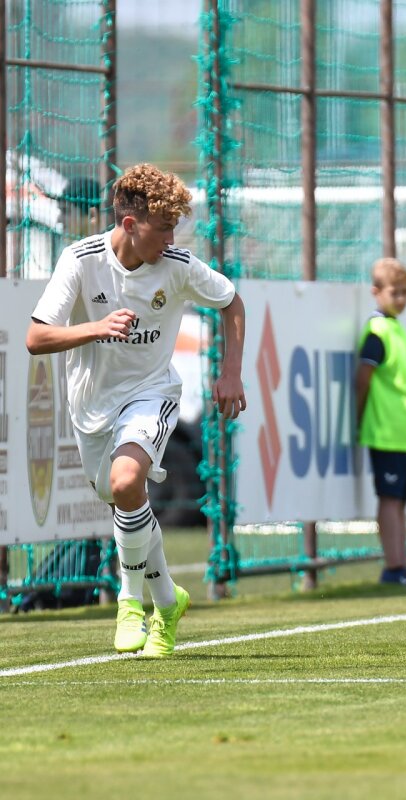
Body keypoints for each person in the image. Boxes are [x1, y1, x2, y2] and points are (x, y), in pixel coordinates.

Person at [26, 163, 247, 658]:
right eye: (163, 227)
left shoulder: (178, 265)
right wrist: (96, 327)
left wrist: (231, 371)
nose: (172, 237)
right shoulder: (81, 260)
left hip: (152, 393)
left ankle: (130, 603)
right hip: (91, 409)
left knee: (128, 482)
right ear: (130, 225)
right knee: (124, 498)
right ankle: (167, 600)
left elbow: (233, 303)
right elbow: (36, 337)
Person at [355, 257, 406, 585]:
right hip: (385, 431)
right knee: (389, 498)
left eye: (405, 292)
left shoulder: (397, 327)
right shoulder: (377, 330)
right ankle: (393, 566)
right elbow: (363, 378)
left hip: (405, 433)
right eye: (394, 292)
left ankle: (403, 564)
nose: (401, 299)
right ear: (376, 292)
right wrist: (358, 417)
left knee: (401, 501)